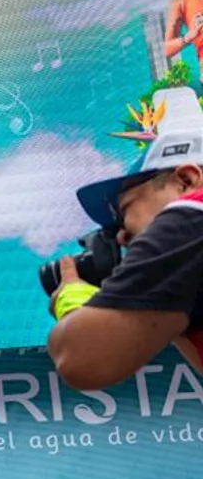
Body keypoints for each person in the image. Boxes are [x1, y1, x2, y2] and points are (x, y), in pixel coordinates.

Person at [49, 89, 203, 388]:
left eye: (126, 210)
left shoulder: (193, 214)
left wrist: (74, 302)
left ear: (185, 181)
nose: (121, 235)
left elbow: (84, 359)